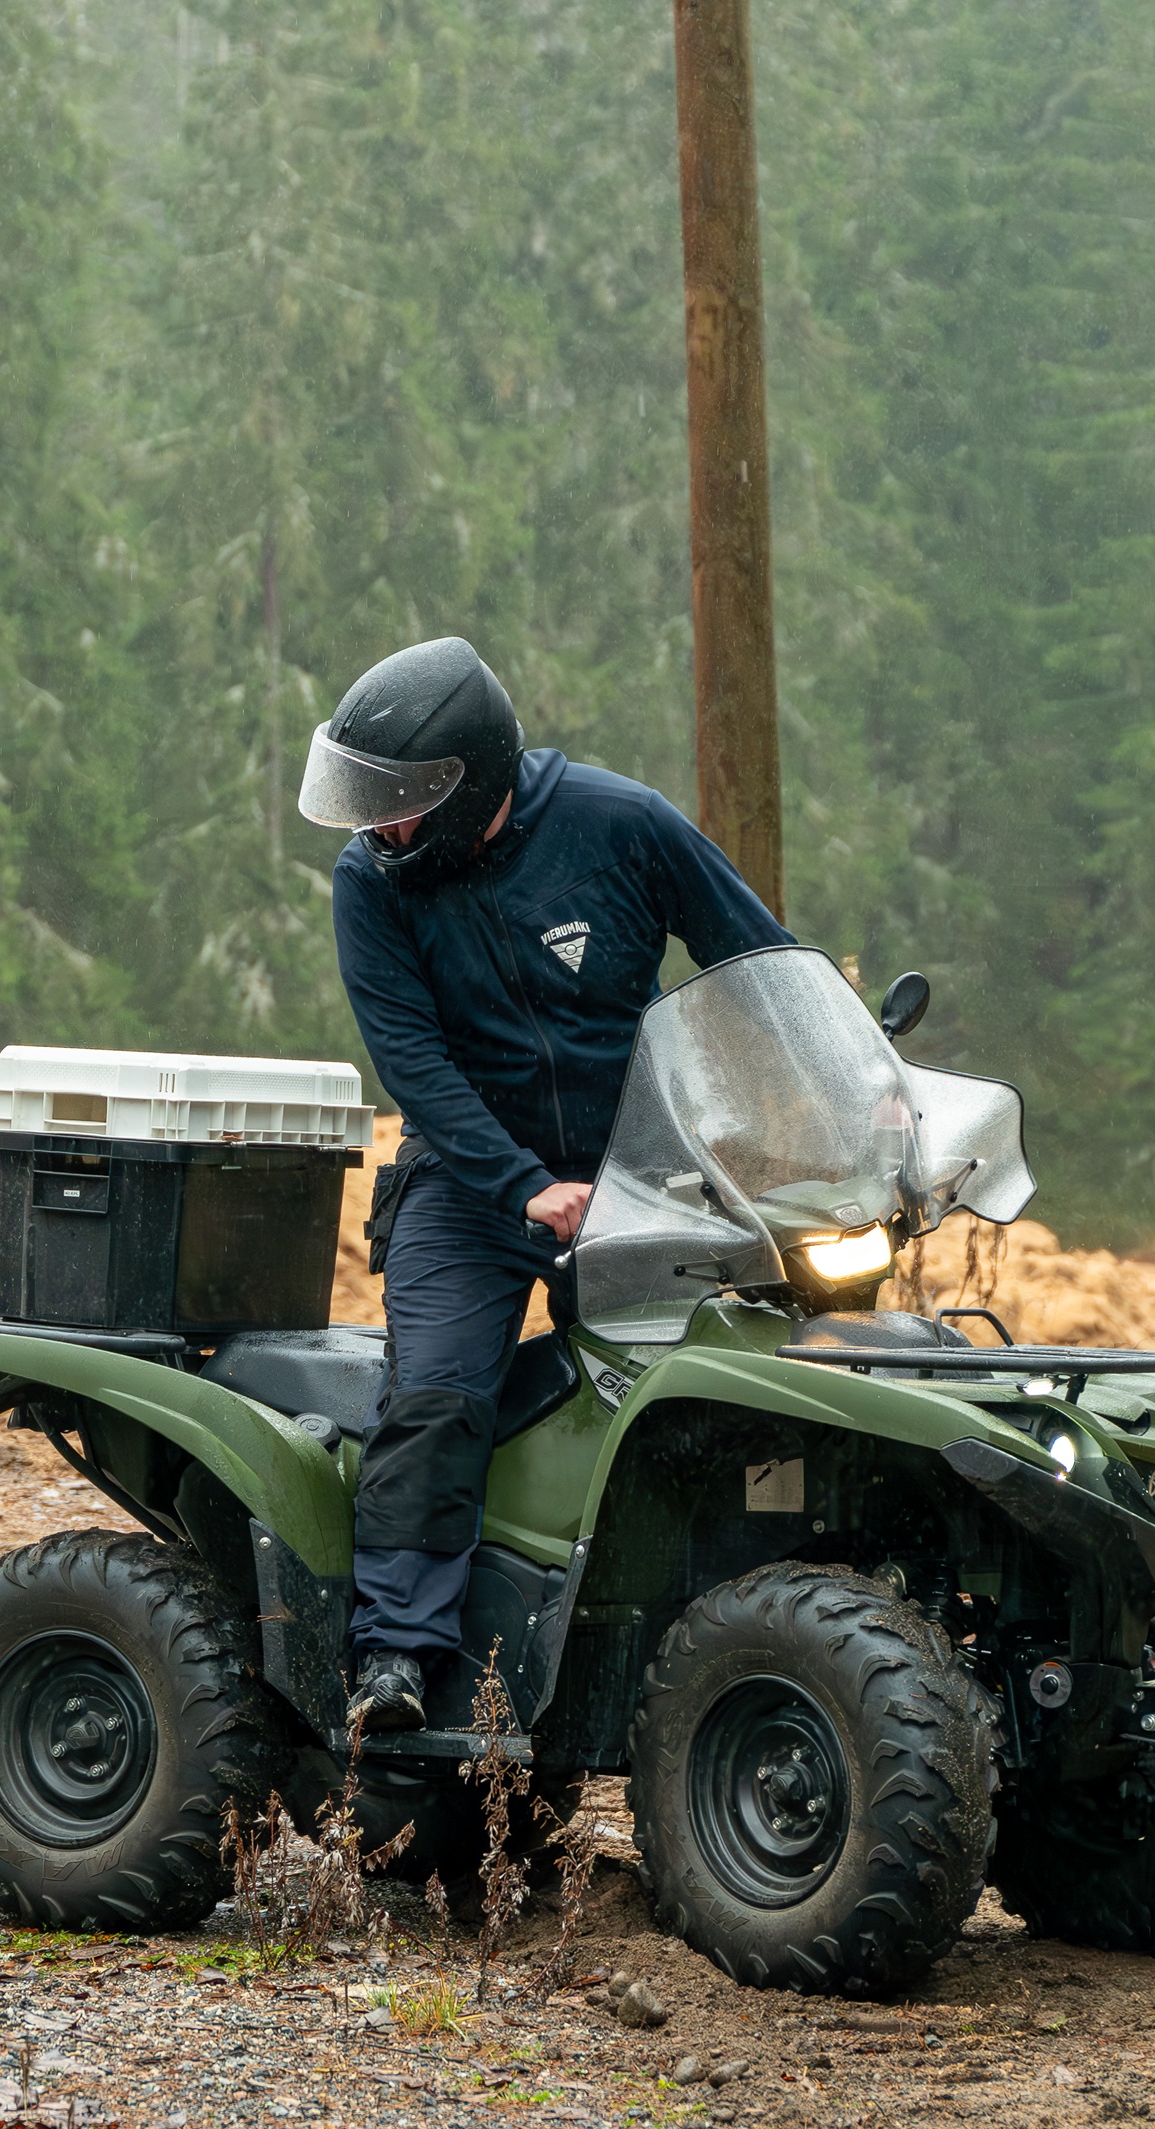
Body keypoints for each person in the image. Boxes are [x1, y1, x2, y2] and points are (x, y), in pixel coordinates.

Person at [297, 637, 792, 1732]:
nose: (376, 829)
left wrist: (851, 1088)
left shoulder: (620, 824)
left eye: (396, 805)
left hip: (646, 1178)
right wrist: (522, 1182)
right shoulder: (367, 883)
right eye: (365, 804)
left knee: (706, 1399)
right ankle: (396, 1654)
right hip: (471, 1182)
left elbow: (757, 965)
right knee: (435, 1392)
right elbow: (412, 1061)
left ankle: (705, 1645)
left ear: (468, 776)